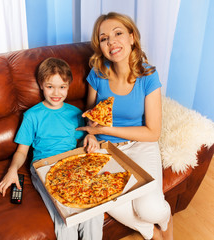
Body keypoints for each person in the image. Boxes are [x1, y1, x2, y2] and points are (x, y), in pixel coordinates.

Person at [76, 12, 173, 240]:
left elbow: (153, 132)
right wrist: (91, 134)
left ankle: (166, 218)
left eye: (118, 33)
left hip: (141, 145)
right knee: (104, 201)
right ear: (100, 46)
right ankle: (153, 233)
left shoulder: (149, 75)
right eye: (104, 38)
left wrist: (104, 131)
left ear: (132, 37)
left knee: (149, 209)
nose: (111, 42)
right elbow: (92, 115)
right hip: (106, 150)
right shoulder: (98, 73)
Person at [0, 57, 104, 240]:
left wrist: (90, 137)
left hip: (72, 162)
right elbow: (22, 151)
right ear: (41, 85)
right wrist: (12, 170)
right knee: (65, 214)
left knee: (94, 210)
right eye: (50, 86)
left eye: (62, 87)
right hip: (44, 166)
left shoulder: (76, 114)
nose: (56, 92)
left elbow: (82, 142)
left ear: (69, 86)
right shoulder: (32, 116)